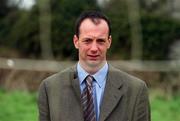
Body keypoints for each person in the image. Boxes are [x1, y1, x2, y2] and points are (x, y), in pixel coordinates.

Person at [38, 10, 151, 121]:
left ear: (109, 42)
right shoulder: (50, 88)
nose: (94, 48)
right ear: (76, 41)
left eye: (100, 41)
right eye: (87, 41)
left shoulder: (136, 90)